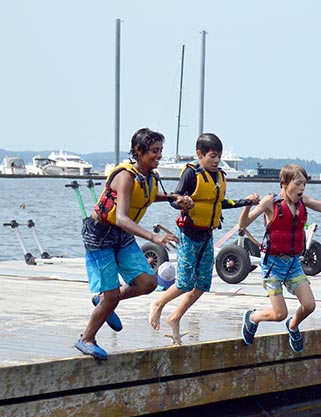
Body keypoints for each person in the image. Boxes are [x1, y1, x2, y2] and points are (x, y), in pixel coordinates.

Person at [75, 128, 192, 360]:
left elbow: (146, 196)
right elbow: (121, 217)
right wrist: (154, 237)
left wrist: (173, 198)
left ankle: (105, 300)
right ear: (138, 151)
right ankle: (86, 338)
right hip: (100, 237)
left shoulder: (148, 176)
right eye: (154, 151)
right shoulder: (125, 176)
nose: (159, 155)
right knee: (111, 298)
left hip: (122, 236)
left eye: (160, 150)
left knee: (148, 283)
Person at [148, 133, 260, 344]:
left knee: (202, 284)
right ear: (199, 154)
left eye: (219, 156)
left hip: (207, 234)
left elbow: (219, 203)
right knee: (184, 282)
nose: (217, 161)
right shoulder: (191, 174)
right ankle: (158, 304)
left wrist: (246, 202)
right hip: (189, 234)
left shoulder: (219, 176)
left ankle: (175, 317)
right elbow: (174, 198)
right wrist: (182, 201)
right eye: (212, 156)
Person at [239, 164, 321, 351]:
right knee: (279, 313)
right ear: (284, 183)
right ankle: (253, 317)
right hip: (272, 265)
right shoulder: (270, 202)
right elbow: (243, 223)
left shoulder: (302, 201)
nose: (302, 188)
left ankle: (293, 325)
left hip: (293, 264)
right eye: (298, 184)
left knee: (309, 305)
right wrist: (248, 204)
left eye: (304, 184)